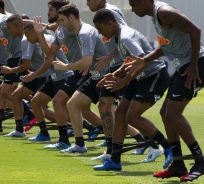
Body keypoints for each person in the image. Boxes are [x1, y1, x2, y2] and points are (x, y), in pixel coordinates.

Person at [126, 0, 204, 182]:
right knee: (165, 113)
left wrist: (195, 64)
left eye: (133, 5)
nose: (133, 10)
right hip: (183, 66)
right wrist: (145, 60)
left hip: (193, 66)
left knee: (172, 113)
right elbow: (165, 46)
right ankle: (178, 164)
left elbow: (195, 30)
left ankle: (201, 161)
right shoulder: (156, 17)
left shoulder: (164, 12)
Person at [92, 8, 172, 171]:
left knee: (132, 117)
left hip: (154, 76)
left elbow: (142, 61)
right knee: (120, 114)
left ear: (110, 24)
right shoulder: (117, 37)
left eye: (101, 30)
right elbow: (129, 62)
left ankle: (167, 146)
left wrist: (124, 81)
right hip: (140, 78)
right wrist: (113, 75)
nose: (101, 34)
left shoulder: (127, 37)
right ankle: (115, 160)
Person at [34, 0, 102, 150]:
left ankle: (68, 140)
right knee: (86, 108)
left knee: (63, 101)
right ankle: (102, 133)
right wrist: (40, 34)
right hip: (78, 71)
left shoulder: (77, 29)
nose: (48, 13)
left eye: (51, 10)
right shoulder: (61, 30)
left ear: (64, 15)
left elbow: (88, 52)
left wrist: (71, 65)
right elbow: (49, 52)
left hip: (85, 71)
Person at [22, 22, 73, 141]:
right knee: (35, 102)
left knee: (63, 106)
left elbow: (49, 62)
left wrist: (34, 75)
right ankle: (44, 134)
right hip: (54, 77)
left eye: (28, 36)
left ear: (36, 32)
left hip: (64, 76)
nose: (27, 39)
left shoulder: (46, 41)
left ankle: (73, 134)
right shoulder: (40, 42)